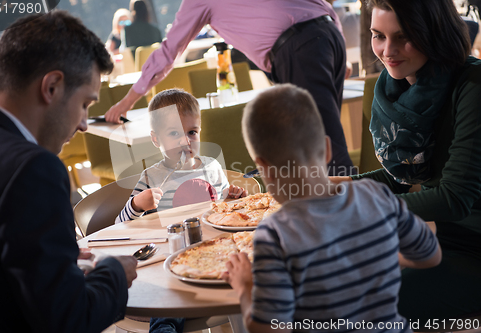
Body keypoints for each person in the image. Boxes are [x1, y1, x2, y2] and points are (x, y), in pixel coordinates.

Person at [222, 84, 441, 333]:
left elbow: (269, 328)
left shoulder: (274, 234)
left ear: (263, 169)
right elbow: (430, 255)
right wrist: (370, 258)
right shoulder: (377, 194)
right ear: (327, 149)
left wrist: (245, 287)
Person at [0, 11, 139, 333]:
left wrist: (57, 260)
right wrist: (113, 273)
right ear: (52, 86)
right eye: (84, 104)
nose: (83, 124)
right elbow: (68, 319)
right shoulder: (32, 169)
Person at [332, 0, 481, 324]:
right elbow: (401, 176)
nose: (387, 50)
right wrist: (335, 188)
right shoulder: (398, 86)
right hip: (447, 236)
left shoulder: (473, 85)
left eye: (403, 36)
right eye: (378, 35)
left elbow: (454, 198)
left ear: (434, 33)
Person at [105, 0, 354, 175]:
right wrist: (337, 51)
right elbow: (321, 5)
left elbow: (169, 52)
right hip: (327, 35)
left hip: (300, 49)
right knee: (318, 145)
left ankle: (364, 228)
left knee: (323, 149)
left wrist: (127, 102)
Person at [116, 88, 247, 223]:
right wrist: (136, 205)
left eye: (192, 132)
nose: (186, 141)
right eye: (174, 133)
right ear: (156, 139)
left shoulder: (213, 168)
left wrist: (233, 200)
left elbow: (223, 211)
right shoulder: (151, 178)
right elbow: (119, 224)